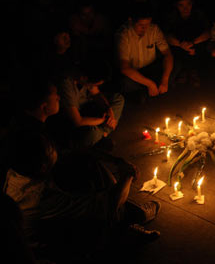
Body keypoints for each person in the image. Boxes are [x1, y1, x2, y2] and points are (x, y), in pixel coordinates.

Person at [3, 133, 160, 254]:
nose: (56, 149)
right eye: (52, 149)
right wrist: (127, 175)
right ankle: (124, 229)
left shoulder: (18, 171)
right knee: (109, 210)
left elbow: (76, 152)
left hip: (50, 223)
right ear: (43, 166)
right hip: (53, 244)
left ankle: (128, 218)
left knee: (87, 166)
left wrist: (116, 161)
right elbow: (109, 204)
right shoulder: (39, 197)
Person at [58, 60, 124, 150]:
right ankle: (101, 135)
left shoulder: (84, 77)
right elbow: (78, 121)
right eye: (94, 84)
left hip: (88, 107)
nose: (93, 86)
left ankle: (102, 134)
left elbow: (97, 94)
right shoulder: (66, 83)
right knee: (91, 134)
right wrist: (103, 120)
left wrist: (109, 110)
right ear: (84, 78)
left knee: (118, 99)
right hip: (73, 123)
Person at [117, 4, 173, 97]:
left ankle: (150, 90)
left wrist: (165, 80)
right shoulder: (123, 35)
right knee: (125, 83)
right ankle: (144, 92)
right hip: (133, 73)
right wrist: (150, 84)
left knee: (173, 66)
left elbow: (168, 54)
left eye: (147, 24)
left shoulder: (154, 29)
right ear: (131, 21)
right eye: (140, 25)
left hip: (151, 69)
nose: (144, 28)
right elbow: (125, 68)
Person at [164, 0, 211, 87]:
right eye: (181, 5)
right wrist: (181, 44)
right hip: (179, 47)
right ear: (176, 6)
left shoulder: (198, 15)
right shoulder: (172, 17)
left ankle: (193, 71)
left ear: (192, 4)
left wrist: (192, 43)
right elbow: (166, 37)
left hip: (196, 46)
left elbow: (208, 33)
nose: (185, 8)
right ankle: (183, 71)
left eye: (188, 4)